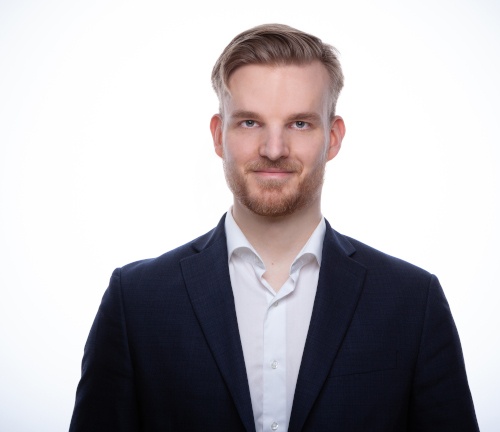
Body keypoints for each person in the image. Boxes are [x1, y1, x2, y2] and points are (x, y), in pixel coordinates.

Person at [69, 24, 479, 432]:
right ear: (218, 135)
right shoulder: (137, 301)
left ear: (333, 138)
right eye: (250, 123)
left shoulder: (412, 302)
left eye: (300, 124)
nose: (274, 149)